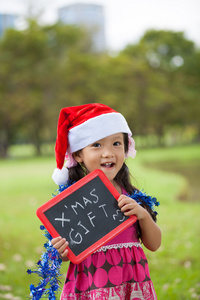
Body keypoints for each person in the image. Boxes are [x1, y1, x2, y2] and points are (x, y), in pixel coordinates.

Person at [51, 103, 161, 300]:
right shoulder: (72, 202)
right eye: (97, 144)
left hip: (131, 282)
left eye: (116, 144)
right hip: (91, 284)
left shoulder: (132, 196)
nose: (108, 153)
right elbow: (68, 253)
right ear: (78, 154)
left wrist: (142, 215)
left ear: (126, 149)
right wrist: (60, 251)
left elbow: (154, 244)